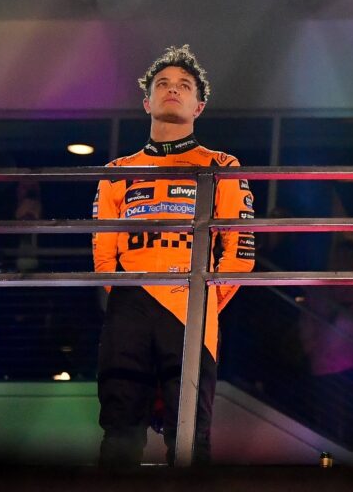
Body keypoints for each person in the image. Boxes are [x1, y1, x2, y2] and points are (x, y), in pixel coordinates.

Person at [93, 45, 256, 467]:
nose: (172, 90)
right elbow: (103, 254)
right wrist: (132, 294)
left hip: (193, 302)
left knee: (189, 437)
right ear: (146, 101)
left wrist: (203, 300)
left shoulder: (222, 164)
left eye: (184, 86)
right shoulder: (117, 171)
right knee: (118, 429)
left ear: (199, 105)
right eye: (162, 84)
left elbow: (238, 251)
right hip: (129, 301)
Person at [300, 236, 353, 449]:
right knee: (326, 418)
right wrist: (310, 348)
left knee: (350, 415)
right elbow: (308, 320)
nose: (348, 262)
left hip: (351, 364)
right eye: (344, 257)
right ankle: (327, 463)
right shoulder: (321, 288)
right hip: (323, 364)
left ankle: (348, 462)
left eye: (352, 258)